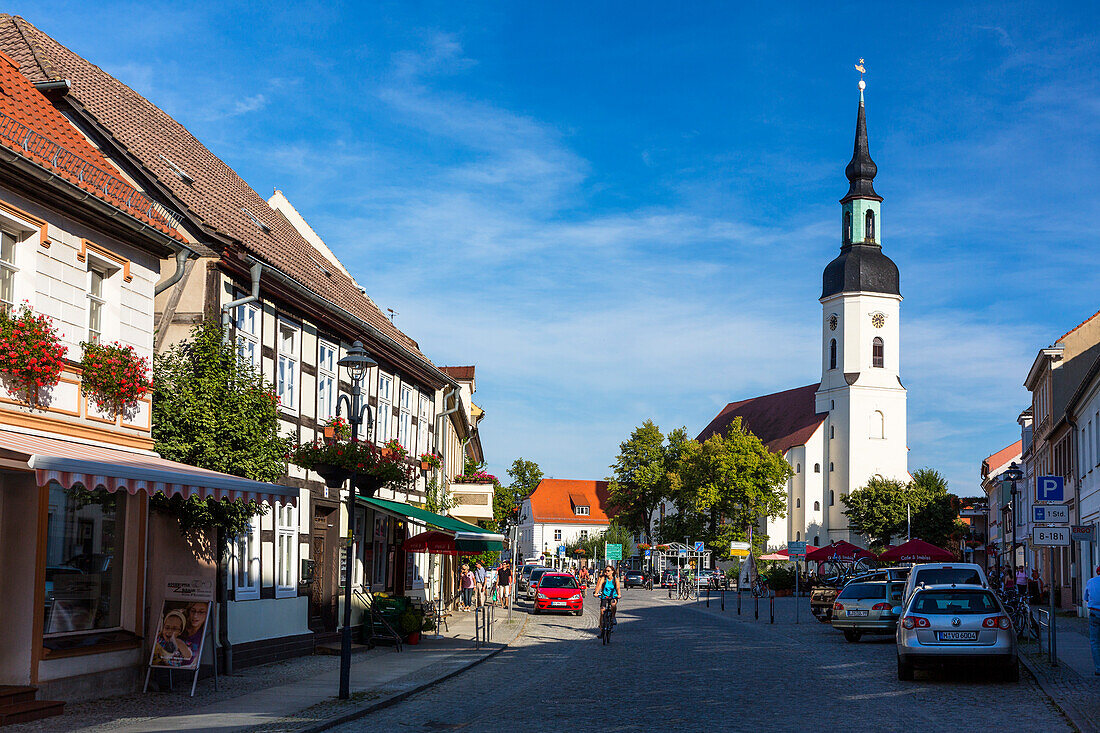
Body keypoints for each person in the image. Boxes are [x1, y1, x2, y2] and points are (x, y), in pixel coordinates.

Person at [593, 565, 621, 636]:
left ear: (612, 572)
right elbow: (599, 586)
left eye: (608, 571)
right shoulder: (603, 578)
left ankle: (613, 617)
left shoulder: (615, 579)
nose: (606, 572)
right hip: (604, 596)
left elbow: (617, 587)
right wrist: (596, 593)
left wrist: (619, 594)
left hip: (613, 596)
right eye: (606, 571)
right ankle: (602, 630)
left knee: (613, 604)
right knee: (602, 611)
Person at [1085, 564, 1100, 676]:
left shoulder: (1091, 582)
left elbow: (1086, 598)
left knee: (1095, 642)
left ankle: (1098, 668)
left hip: (1094, 613)